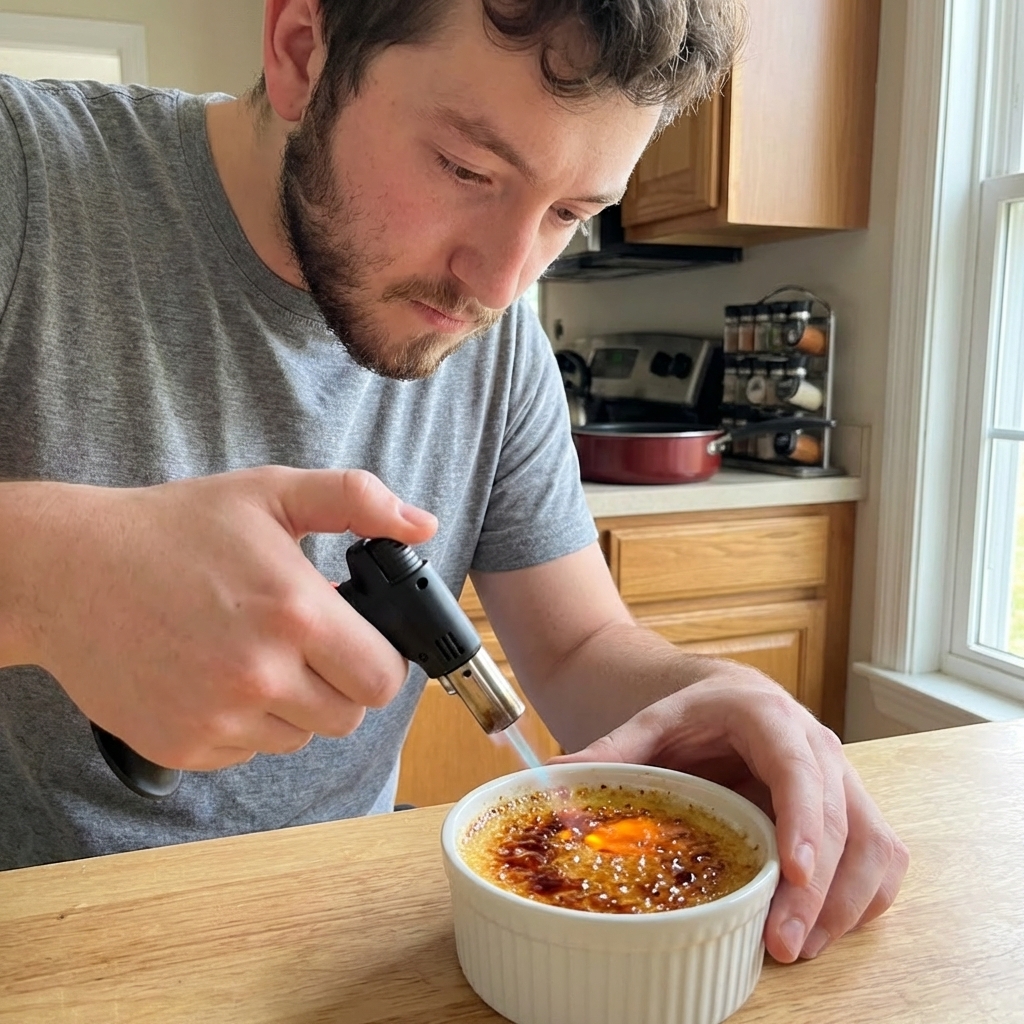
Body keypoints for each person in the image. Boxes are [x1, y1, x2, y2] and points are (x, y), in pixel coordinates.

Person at [0, 0, 907, 963]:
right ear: (303, 52)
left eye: (570, 215)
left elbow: (578, 646)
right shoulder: (27, 176)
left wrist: (719, 696)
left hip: (338, 939)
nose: (504, 279)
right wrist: (47, 575)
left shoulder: (498, 332)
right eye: (468, 169)